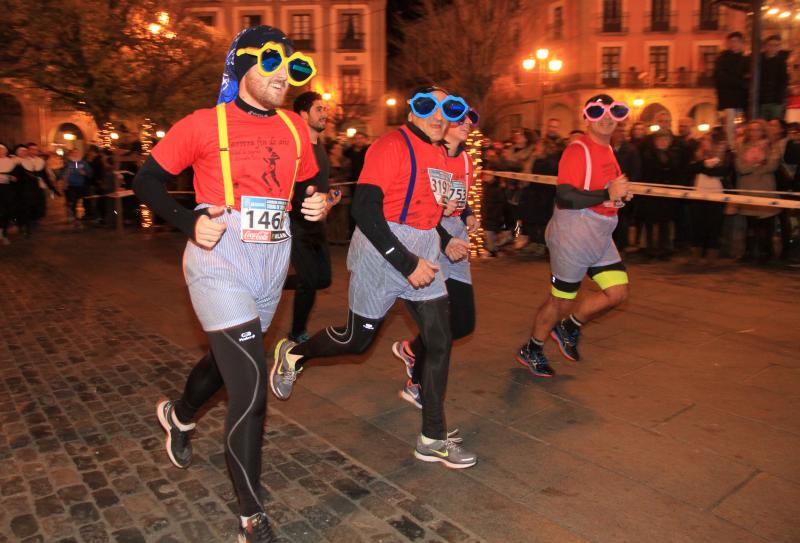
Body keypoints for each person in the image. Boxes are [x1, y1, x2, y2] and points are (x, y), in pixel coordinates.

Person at [132, 26, 326, 542]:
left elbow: (313, 179)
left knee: (226, 363)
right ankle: (250, 515)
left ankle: (180, 414)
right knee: (251, 385)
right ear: (243, 66)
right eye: (272, 63)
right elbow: (145, 180)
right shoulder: (201, 124)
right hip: (219, 256)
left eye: (292, 65)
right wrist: (186, 220)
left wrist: (318, 201)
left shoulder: (293, 128)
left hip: (271, 260)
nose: (284, 74)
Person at [269, 86, 478, 469]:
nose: (437, 115)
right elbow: (364, 210)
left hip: (424, 250)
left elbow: (428, 213)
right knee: (357, 340)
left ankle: (432, 437)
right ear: (412, 110)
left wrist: (445, 232)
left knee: (440, 337)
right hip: (381, 250)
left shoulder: (442, 155)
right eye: (425, 105)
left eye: (447, 108)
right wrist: (405, 261)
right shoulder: (389, 146)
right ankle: (294, 353)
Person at [515, 94, 633, 377]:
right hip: (573, 236)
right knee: (561, 301)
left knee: (617, 292)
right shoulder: (578, 150)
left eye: (613, 112)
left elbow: (605, 191)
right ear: (586, 117)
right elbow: (565, 195)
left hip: (600, 234)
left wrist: (619, 197)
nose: (606, 118)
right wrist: (608, 194)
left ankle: (570, 326)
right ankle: (532, 348)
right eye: (597, 112)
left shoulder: (609, 150)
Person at [391, 108, 479, 408]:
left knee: (464, 322)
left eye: (471, 120)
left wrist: (468, 216)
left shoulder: (466, 159)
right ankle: (417, 383)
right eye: (461, 119)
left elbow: (460, 201)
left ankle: (412, 349)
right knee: (439, 323)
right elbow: (421, 208)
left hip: (456, 242)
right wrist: (445, 235)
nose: (467, 124)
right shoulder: (427, 155)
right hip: (428, 238)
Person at [284, 91, 341, 343]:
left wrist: (331, 197)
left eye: (325, 109)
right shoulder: (295, 149)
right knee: (308, 280)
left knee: (323, 279)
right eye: (319, 109)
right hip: (297, 223)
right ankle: (297, 333)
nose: (324, 114)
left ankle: (272, 283)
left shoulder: (320, 148)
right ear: (303, 114)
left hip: (317, 225)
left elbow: (321, 188)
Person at [736, 120, 781, 263]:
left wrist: (753, 163)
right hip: (748, 189)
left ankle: (766, 254)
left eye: (757, 130)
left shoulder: (772, 146)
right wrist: (758, 163)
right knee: (750, 225)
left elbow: (772, 166)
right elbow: (741, 168)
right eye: (751, 130)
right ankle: (748, 252)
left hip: (765, 189)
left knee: (766, 226)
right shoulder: (743, 146)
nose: (754, 133)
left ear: (763, 131)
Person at [686, 128, 734, 263]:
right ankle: (696, 254)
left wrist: (703, 167)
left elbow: (722, 171)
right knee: (697, 225)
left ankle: (711, 256)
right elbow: (690, 169)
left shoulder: (725, 154)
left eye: (706, 139)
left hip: (717, 194)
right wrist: (703, 164)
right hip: (697, 193)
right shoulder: (697, 154)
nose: (703, 142)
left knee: (714, 226)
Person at [714, 32, 749, 145]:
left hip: (742, 98)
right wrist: (740, 81)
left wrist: (739, 81)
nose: (734, 44)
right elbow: (721, 78)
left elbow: (748, 77)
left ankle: (741, 145)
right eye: (731, 41)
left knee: (742, 124)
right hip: (727, 98)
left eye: (736, 41)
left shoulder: (746, 59)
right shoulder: (722, 59)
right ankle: (731, 147)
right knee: (730, 124)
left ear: (741, 43)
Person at [760, 35, 790, 121]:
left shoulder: (781, 62)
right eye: (771, 45)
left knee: (775, 125)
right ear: (765, 46)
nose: (773, 48)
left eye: (776, 45)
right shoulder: (759, 59)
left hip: (776, 101)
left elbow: (784, 81)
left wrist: (780, 98)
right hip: (762, 100)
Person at [61, 149, 93, 228]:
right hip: (71, 186)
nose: (76, 154)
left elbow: (90, 173)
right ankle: (75, 218)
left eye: (77, 153)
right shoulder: (67, 163)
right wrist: (65, 179)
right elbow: (62, 173)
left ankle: (87, 215)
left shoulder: (83, 163)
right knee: (73, 201)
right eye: (74, 153)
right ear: (71, 154)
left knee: (85, 201)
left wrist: (84, 173)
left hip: (81, 185)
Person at [0, 144, 17, 245]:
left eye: (2, 150)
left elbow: (15, 176)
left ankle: (4, 233)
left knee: (6, 211)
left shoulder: (11, 162)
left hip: (7, 189)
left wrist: (12, 177)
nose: (1, 151)